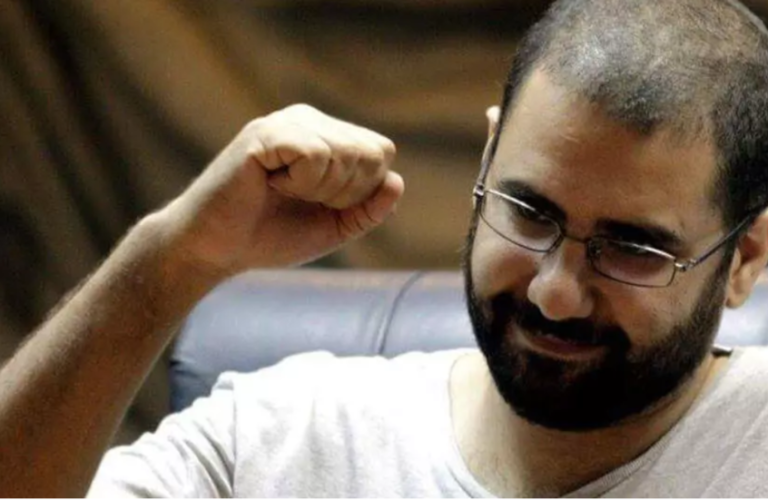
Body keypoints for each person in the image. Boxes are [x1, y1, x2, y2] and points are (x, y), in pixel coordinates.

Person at [3, 0, 768, 496]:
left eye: (632, 249)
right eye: (528, 212)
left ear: (746, 258)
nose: (554, 292)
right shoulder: (285, 436)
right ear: (488, 158)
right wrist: (170, 261)